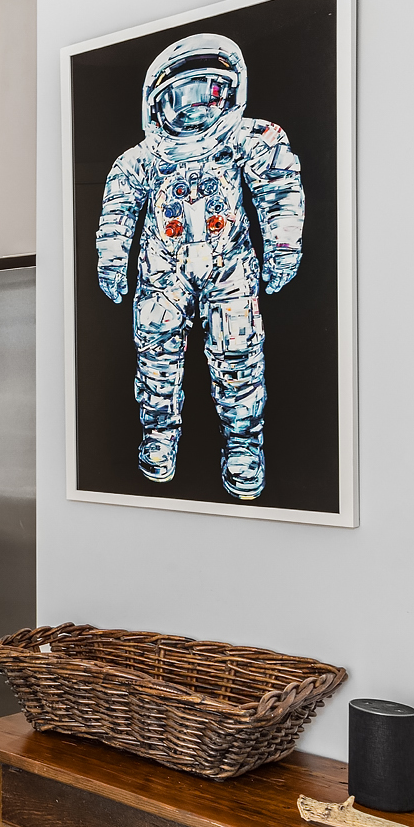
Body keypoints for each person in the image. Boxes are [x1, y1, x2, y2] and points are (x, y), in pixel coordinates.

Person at [94, 33, 305, 500]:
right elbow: (117, 211)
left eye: (208, 93)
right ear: (157, 105)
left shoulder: (250, 139)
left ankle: (243, 445)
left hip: (229, 269)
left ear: (230, 93)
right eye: (180, 98)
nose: (195, 111)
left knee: (239, 354)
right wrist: (112, 262)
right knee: (156, 358)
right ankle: (159, 437)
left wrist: (283, 247)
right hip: (162, 273)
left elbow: (280, 189)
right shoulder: (140, 160)